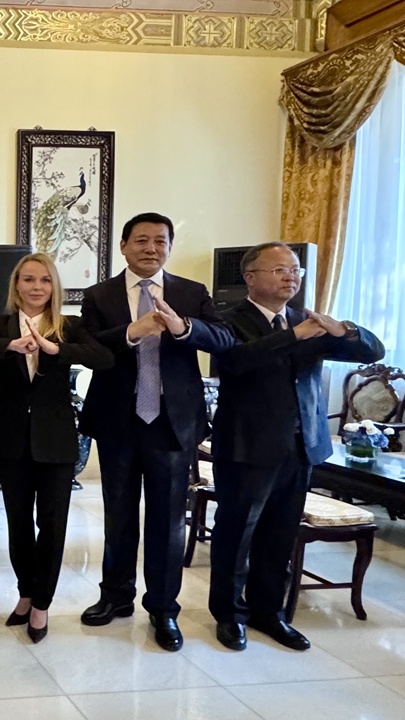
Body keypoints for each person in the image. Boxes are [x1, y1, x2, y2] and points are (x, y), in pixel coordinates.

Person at [209, 242, 383, 652]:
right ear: (250, 277)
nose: (291, 276)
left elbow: (373, 351)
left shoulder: (309, 321)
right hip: (247, 447)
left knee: (280, 534)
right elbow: (235, 362)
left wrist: (344, 331)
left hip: (301, 444)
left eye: (295, 270)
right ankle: (231, 615)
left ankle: (269, 612)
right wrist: (293, 336)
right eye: (279, 270)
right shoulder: (228, 320)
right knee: (237, 534)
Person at [78, 212, 233, 652]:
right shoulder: (99, 294)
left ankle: (163, 609)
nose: (151, 248)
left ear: (168, 247)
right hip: (118, 421)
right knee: (119, 515)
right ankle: (116, 596)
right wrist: (131, 331)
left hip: (172, 422)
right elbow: (89, 349)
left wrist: (183, 329)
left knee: (167, 521)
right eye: (141, 240)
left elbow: (223, 339)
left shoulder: (190, 292)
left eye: (160, 241)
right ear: (124, 246)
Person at [0, 253, 113, 644]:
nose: (37, 287)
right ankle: (25, 593)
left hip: (57, 440)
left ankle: (42, 603)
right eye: (28, 280)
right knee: (18, 524)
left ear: (54, 286)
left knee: (53, 523)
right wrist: (12, 344)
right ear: (17, 286)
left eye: (44, 280)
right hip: (12, 438)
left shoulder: (69, 326)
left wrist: (56, 350)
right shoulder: (0, 323)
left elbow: (104, 357)